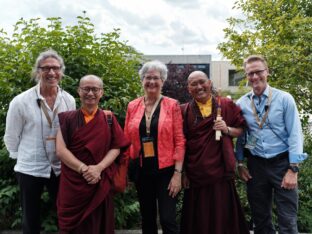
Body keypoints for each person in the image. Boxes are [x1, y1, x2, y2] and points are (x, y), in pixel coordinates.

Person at [3, 49, 76, 234]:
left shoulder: (69, 100)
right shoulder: (20, 102)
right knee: (30, 217)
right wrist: (23, 158)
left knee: (65, 214)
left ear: (61, 71)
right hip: (30, 168)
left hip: (60, 167)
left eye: (56, 68)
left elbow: (70, 134)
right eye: (46, 68)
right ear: (38, 71)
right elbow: (11, 137)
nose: (51, 73)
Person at [236, 55, 308, 234]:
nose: (254, 77)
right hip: (256, 166)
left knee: (288, 221)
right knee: (260, 222)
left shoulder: (285, 99)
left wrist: (294, 169)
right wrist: (239, 163)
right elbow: (244, 136)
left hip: (283, 165)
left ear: (267, 72)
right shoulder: (242, 103)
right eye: (250, 73)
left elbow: (295, 135)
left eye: (258, 72)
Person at [56, 75, 130, 234]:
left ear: (101, 92)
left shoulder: (108, 118)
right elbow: (61, 151)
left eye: (95, 89)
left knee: (100, 225)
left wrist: (98, 168)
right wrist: (83, 169)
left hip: (100, 181)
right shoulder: (67, 119)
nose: (90, 93)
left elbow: (116, 147)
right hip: (73, 183)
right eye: (86, 89)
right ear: (79, 91)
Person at [180, 71, 249, 234]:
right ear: (188, 89)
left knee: (222, 215)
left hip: (220, 172)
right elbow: (180, 143)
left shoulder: (225, 105)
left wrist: (227, 129)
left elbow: (241, 129)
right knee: (198, 218)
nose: (199, 87)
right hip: (195, 173)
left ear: (209, 83)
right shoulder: (183, 110)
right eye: (193, 84)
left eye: (202, 82)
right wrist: (182, 172)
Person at [124, 60, 185, 234]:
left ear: (162, 81)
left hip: (167, 171)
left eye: (156, 78)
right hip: (142, 170)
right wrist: (128, 170)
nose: (151, 81)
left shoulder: (172, 105)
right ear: (142, 80)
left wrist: (178, 174)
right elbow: (127, 139)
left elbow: (180, 140)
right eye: (147, 77)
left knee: (167, 219)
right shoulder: (132, 106)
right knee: (147, 218)